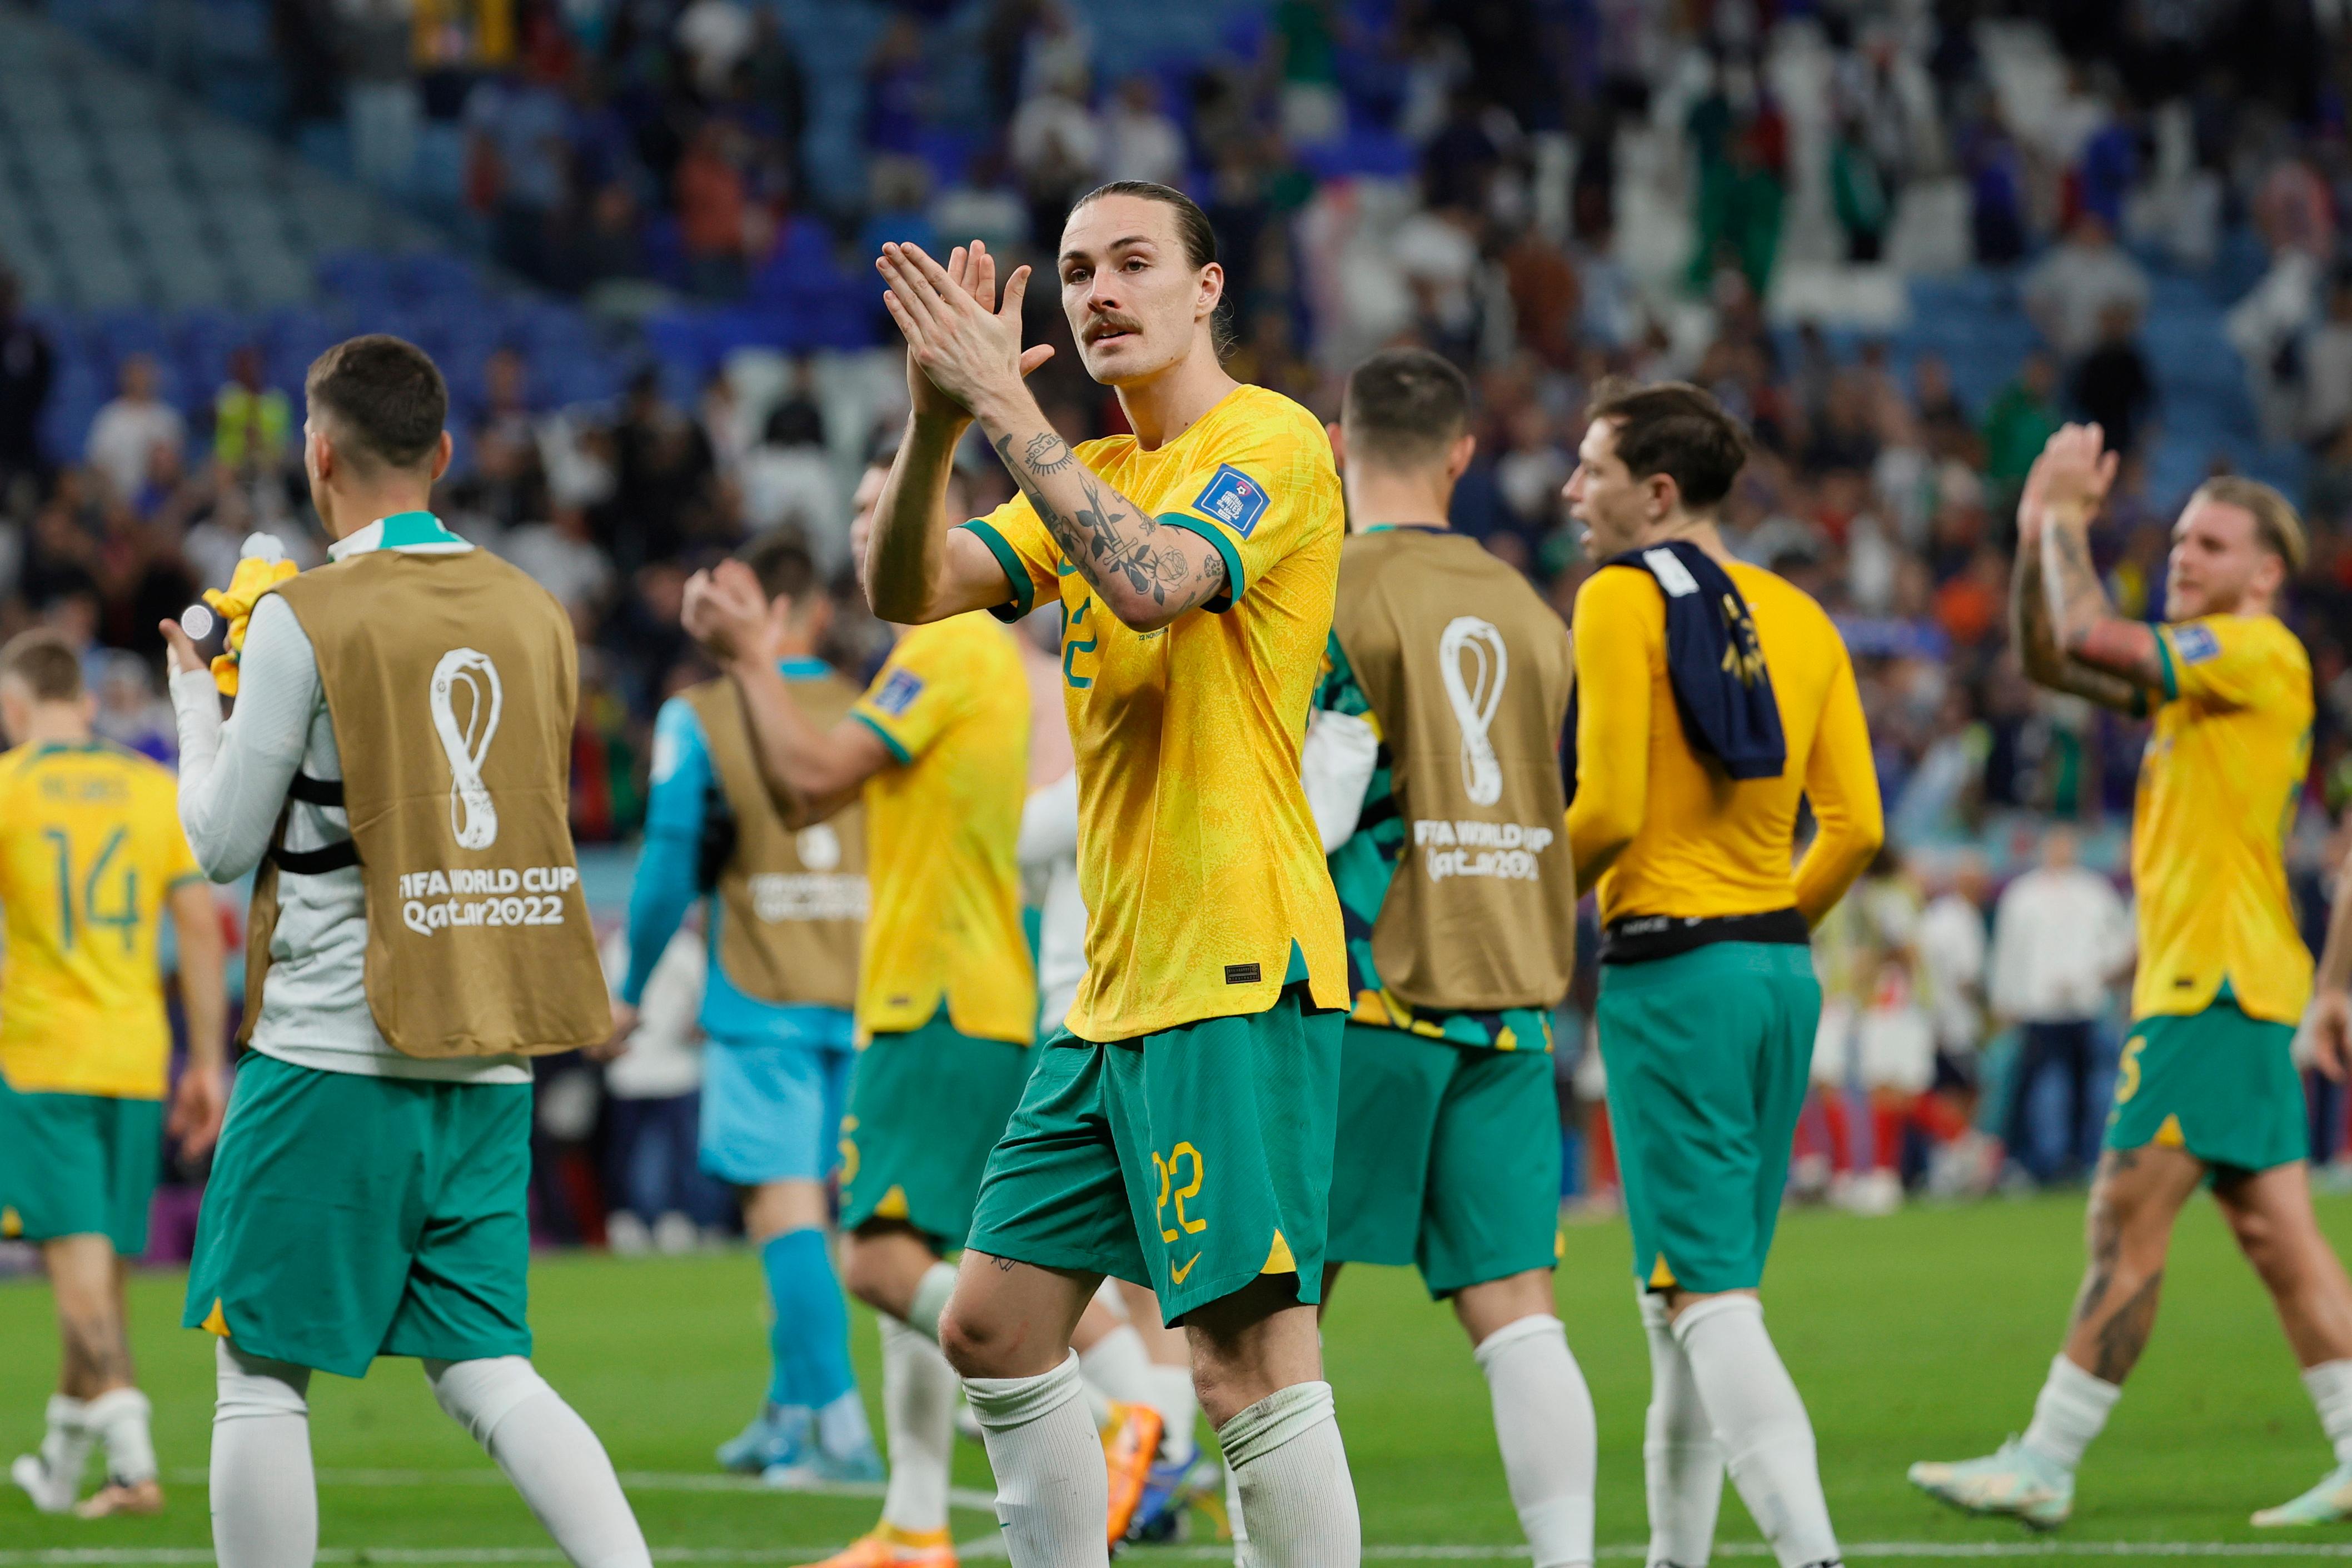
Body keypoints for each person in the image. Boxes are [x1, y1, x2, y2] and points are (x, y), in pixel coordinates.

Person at [845, 178, 1361, 1566]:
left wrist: (1004, 418)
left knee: (1243, 1360)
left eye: (1132, 264)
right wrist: (936, 418)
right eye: (1074, 273)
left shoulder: (1273, 444)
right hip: (1114, 989)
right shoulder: (1093, 466)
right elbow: (908, 585)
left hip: (1234, 963)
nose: (1096, 295)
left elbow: (1149, 583)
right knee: (991, 1325)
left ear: (1207, 290)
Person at [158, 335, 652, 1568]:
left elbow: (221, 846)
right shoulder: (537, 612)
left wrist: (192, 702)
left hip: (333, 1044)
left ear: (317, 456)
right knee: (488, 1370)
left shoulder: (302, 615)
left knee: (261, 1378)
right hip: (487, 1045)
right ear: (441, 455)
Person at [682, 460, 1162, 1564]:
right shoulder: (957, 653)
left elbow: (807, 777)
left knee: (882, 1262)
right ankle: (917, 1518)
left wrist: (750, 658)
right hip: (961, 993)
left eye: (884, 512)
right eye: (854, 515)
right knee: (968, 1251)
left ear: (950, 526)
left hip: (936, 1001)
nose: (865, 535)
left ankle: (1125, 1406)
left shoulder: (946, 646)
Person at [1911, 426, 2352, 1528]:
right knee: (2274, 1236)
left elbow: (2079, 628)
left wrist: (2059, 517)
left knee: (2123, 1211)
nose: (2182, 557)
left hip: (2209, 986)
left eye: (2210, 545)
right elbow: (2050, 656)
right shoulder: (2197, 685)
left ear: (2264, 572)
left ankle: (2046, 1460)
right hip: (2236, 986)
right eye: (2179, 540)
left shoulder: (2256, 651)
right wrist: (2033, 532)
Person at [1565, 378, 1882, 1568]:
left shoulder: (1614, 600)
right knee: (1684, 1302)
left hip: (1671, 977)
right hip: (1776, 976)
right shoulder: (1802, 615)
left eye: (1588, 470)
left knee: (1705, 1300)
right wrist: (1759, 920)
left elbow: (1601, 808)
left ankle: (1810, 1553)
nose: (1568, 492)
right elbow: (1852, 829)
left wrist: (1506, 902)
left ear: (1654, 492)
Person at [1304, 347, 1595, 1568]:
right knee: (1519, 1311)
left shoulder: (1327, 591)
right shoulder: (1535, 613)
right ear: (1463, 453)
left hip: (1366, 989)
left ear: (1334, 443)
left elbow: (1319, 810)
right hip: (1512, 995)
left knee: (1270, 1313)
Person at [614, 533, 881, 1485]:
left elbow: (663, 871)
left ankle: (840, 1431)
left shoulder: (701, 714)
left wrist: (631, 990)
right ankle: (787, 1409)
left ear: (769, 610)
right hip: (870, 1001)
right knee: (849, 1225)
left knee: (787, 1216)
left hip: (763, 997)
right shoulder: (872, 706)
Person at [0, 630, 228, 1518]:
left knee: (74, 1257)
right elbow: (202, 930)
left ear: (16, 709)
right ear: (86, 703)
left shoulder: (10, 787)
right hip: (137, 1054)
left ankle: (132, 1462)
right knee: (95, 1255)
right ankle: (60, 1464)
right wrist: (207, 1061)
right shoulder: (149, 785)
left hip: (40, 1051)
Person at [1985, 826, 2133, 1184]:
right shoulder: (2023, 895)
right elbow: (2009, 951)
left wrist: (2098, 978)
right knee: (2038, 1085)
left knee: (2091, 1084)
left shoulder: (2095, 893)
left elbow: (2117, 944)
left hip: (2086, 1002)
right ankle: (2038, 1160)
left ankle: (2087, 1157)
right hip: (2039, 1005)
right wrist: (2005, 998)